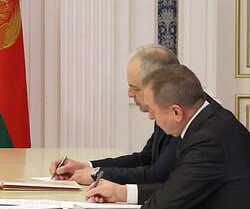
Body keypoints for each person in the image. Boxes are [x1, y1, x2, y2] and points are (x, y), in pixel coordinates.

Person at [86, 64, 250, 209]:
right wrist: (120, 193)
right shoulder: (211, 123)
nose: (151, 117)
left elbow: (163, 206)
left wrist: (124, 194)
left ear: (176, 112)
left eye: (153, 111)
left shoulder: (207, 140)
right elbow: (177, 188)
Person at [50, 44, 179, 184]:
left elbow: (158, 175)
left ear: (157, 86)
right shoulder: (165, 110)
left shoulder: (182, 117)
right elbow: (145, 159)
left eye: (134, 87)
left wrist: (96, 174)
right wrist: (86, 166)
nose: (129, 94)